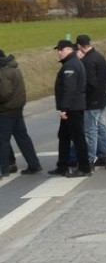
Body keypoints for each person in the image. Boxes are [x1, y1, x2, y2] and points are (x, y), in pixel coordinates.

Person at [75, 35, 106, 170]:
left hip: (91, 101)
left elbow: (90, 83)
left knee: (90, 131)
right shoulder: (99, 56)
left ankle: (89, 160)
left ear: (79, 46)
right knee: (101, 128)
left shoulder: (86, 61)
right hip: (101, 98)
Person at [49, 40, 91, 177]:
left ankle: (84, 168)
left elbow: (69, 89)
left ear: (67, 49)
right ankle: (62, 165)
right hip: (72, 107)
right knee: (64, 136)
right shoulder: (71, 63)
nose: (58, 52)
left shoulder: (71, 65)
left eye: (60, 49)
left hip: (72, 108)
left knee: (78, 138)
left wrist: (64, 109)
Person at [0, 49, 42, 177]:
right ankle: (34, 164)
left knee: (2, 141)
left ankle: (4, 169)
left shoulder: (3, 72)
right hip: (17, 108)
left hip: (6, 110)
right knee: (22, 137)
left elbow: (4, 93)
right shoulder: (14, 68)